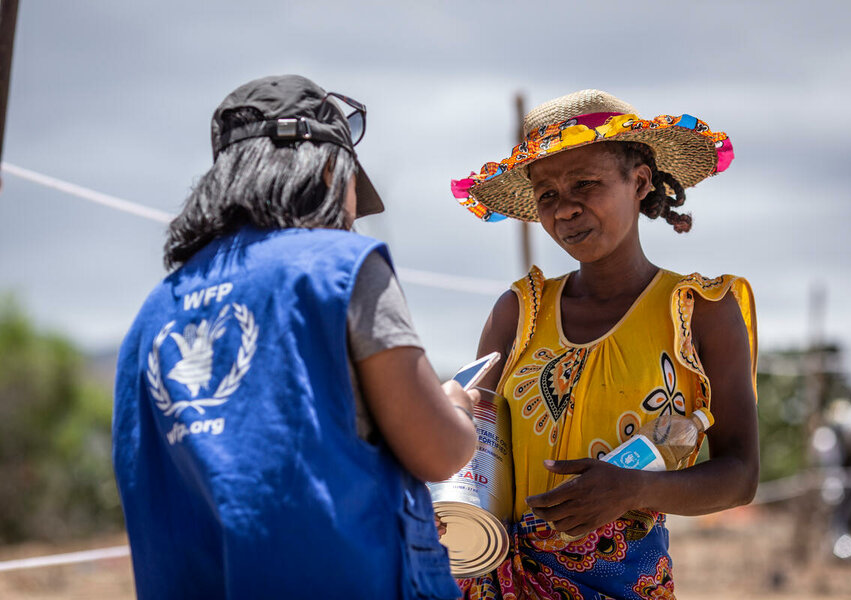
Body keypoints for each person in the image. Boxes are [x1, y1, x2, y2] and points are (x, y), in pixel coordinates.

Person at [112, 74, 477, 600]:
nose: (352, 217)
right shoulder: (340, 268)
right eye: (354, 188)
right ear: (328, 169)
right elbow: (439, 452)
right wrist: (458, 407)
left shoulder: (155, 311)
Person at [449, 89, 759, 599]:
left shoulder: (700, 311)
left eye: (584, 184)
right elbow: (476, 453)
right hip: (498, 583)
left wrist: (636, 488)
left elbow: (740, 474)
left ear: (638, 182)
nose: (564, 209)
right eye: (546, 194)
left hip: (625, 584)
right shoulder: (519, 313)